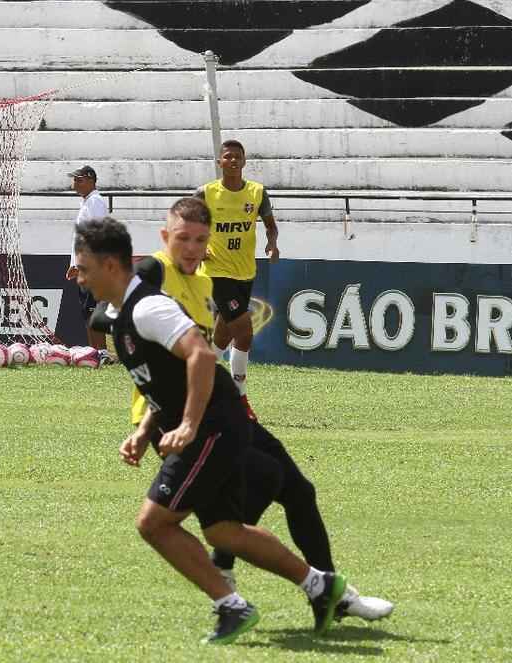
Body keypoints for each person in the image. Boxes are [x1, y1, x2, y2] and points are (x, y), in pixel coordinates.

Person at [91, 198, 393, 624]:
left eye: (200, 239)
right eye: (182, 238)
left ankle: (308, 588)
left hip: (211, 411)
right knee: (261, 484)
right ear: (164, 236)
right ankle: (294, 585)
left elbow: (194, 357)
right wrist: (150, 421)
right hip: (182, 421)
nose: (191, 248)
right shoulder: (153, 272)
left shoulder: (203, 283)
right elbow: (110, 320)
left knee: (293, 491)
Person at [194, 139, 279, 399]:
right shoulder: (206, 193)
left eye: (237, 157)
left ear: (244, 161)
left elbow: (270, 226)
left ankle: (198, 381)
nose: (232, 160)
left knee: (223, 336)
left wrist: (272, 244)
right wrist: (198, 246)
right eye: (227, 157)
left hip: (245, 272)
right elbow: (185, 223)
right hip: (216, 272)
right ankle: (238, 396)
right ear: (219, 162)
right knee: (244, 332)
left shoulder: (257, 192)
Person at [64, 165, 110, 359]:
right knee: (87, 309)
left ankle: (101, 353)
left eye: (79, 180)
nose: (75, 184)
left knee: (92, 309)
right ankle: (95, 352)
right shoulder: (88, 202)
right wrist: (74, 264)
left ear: (91, 180)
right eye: (74, 180)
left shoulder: (95, 201)